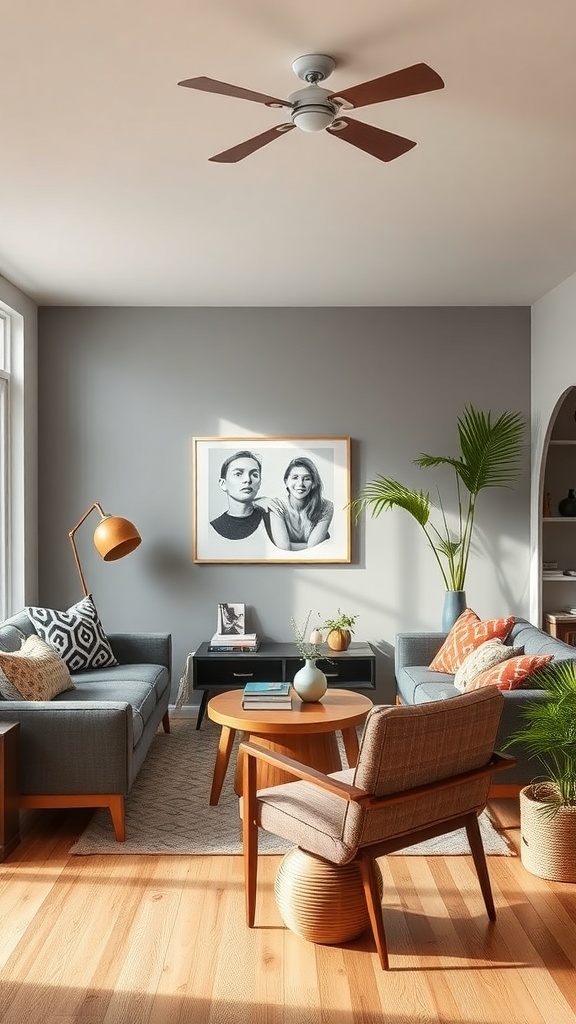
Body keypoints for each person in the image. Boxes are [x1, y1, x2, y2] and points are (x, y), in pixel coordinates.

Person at [267, 456, 333, 551]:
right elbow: (284, 548)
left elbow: (313, 548)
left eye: (307, 479)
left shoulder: (327, 506)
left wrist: (290, 546)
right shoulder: (276, 505)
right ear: (286, 481)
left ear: (314, 483)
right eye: (295, 477)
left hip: (316, 558)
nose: (300, 484)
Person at [210, 450, 269, 541]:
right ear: (223, 484)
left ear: (259, 483)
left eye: (254, 475)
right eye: (238, 474)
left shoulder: (271, 520)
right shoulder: (211, 529)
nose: (248, 479)